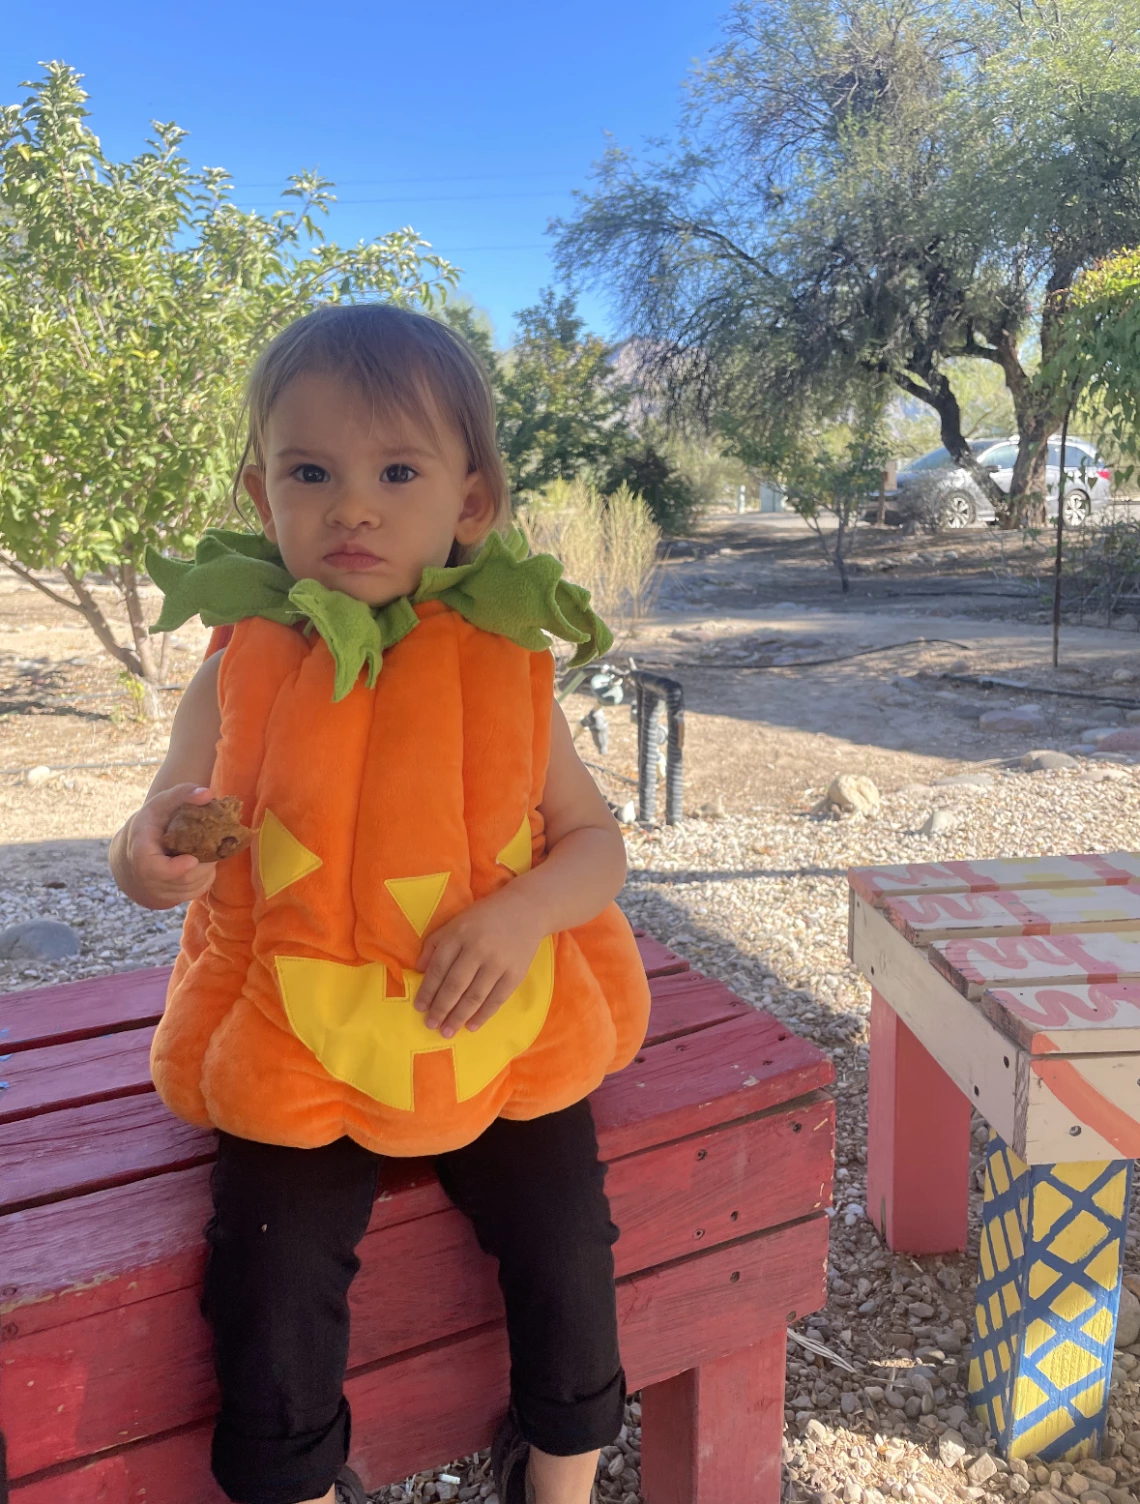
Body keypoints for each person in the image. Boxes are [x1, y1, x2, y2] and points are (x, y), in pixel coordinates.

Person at [108, 304, 650, 1504]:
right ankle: (297, 1479)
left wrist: (522, 916)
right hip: (298, 1034)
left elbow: (599, 847)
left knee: (568, 1241)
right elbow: (157, 828)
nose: (353, 504)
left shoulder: (499, 665)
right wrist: (150, 859)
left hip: (489, 1028)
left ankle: (560, 1470)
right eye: (313, 472)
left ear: (471, 502)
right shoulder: (240, 663)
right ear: (263, 494)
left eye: (397, 471)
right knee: (267, 1267)